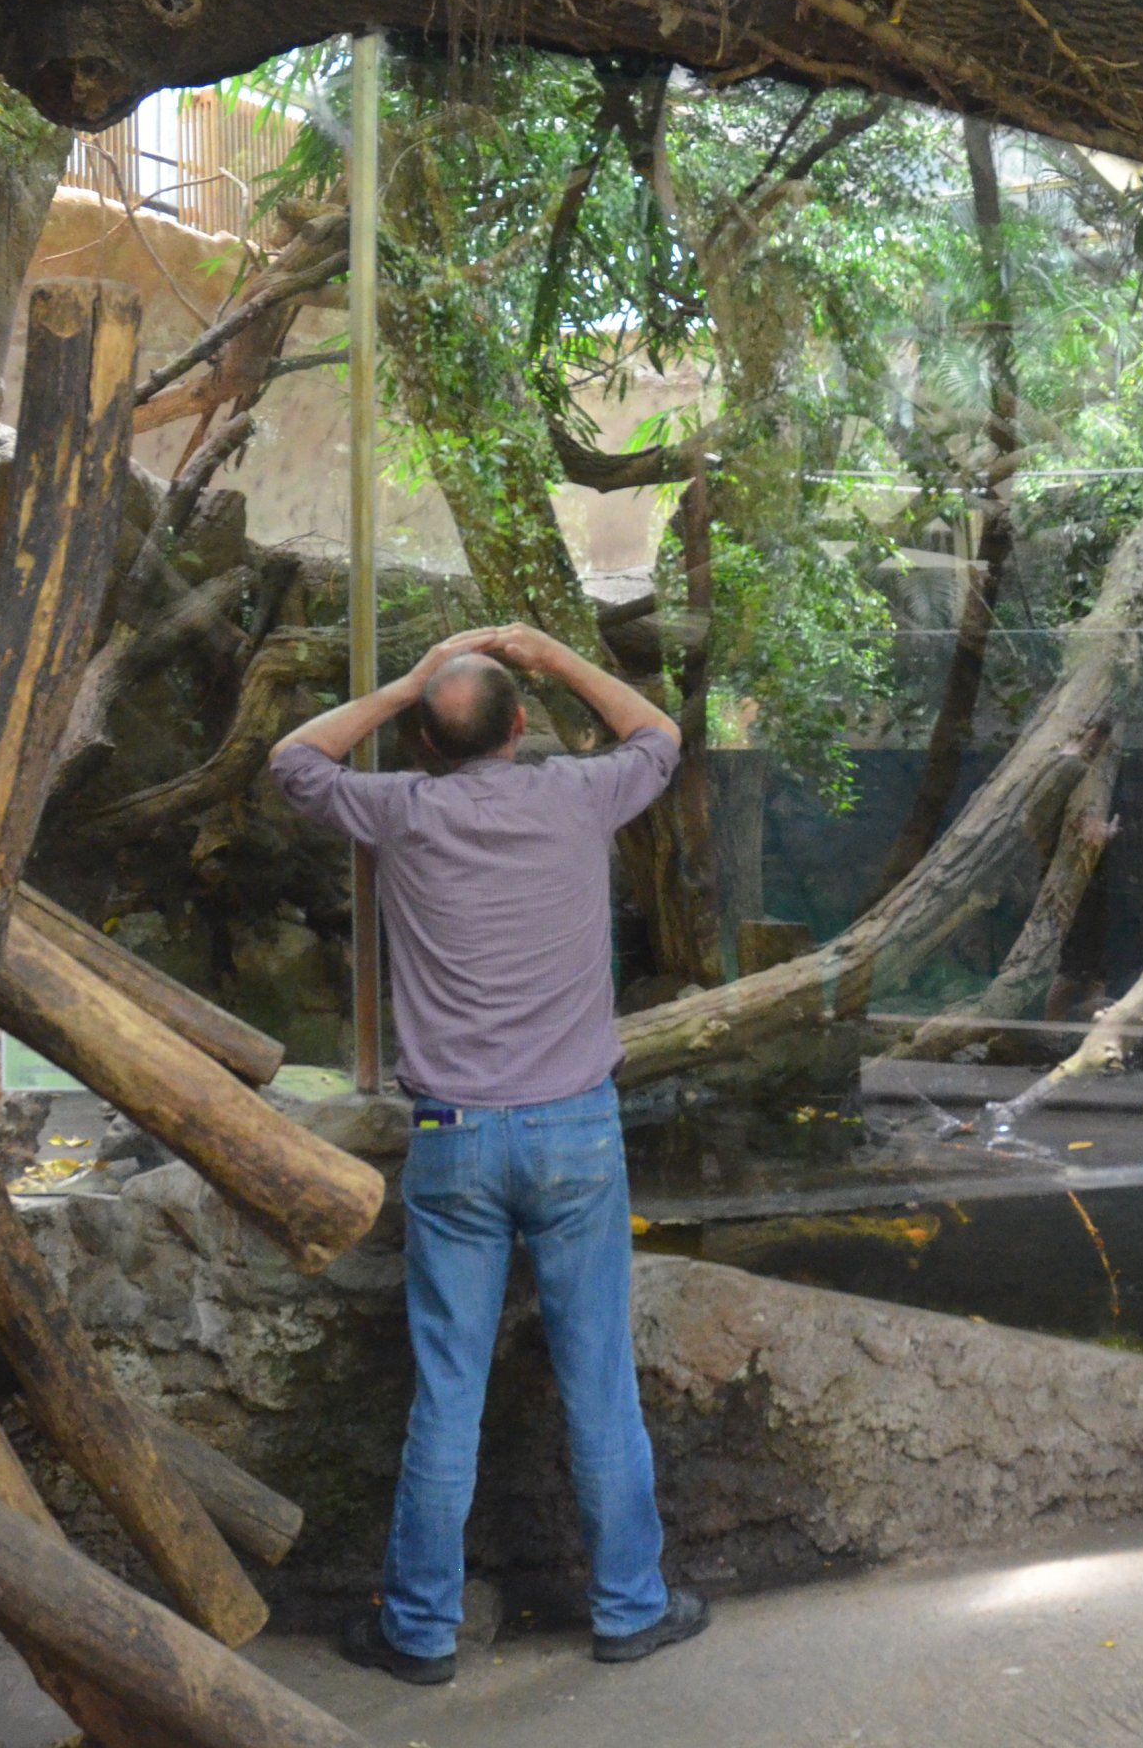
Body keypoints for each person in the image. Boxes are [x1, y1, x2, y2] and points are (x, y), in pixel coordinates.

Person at [270, 622, 710, 1685]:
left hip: (454, 1144)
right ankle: (628, 1608)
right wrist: (556, 659)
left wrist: (408, 683)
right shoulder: (577, 794)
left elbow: (292, 759)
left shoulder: (400, 810)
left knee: (447, 1393)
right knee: (600, 1381)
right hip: (574, 1135)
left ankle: (421, 1633)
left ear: (422, 743)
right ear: (522, 729)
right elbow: (658, 732)